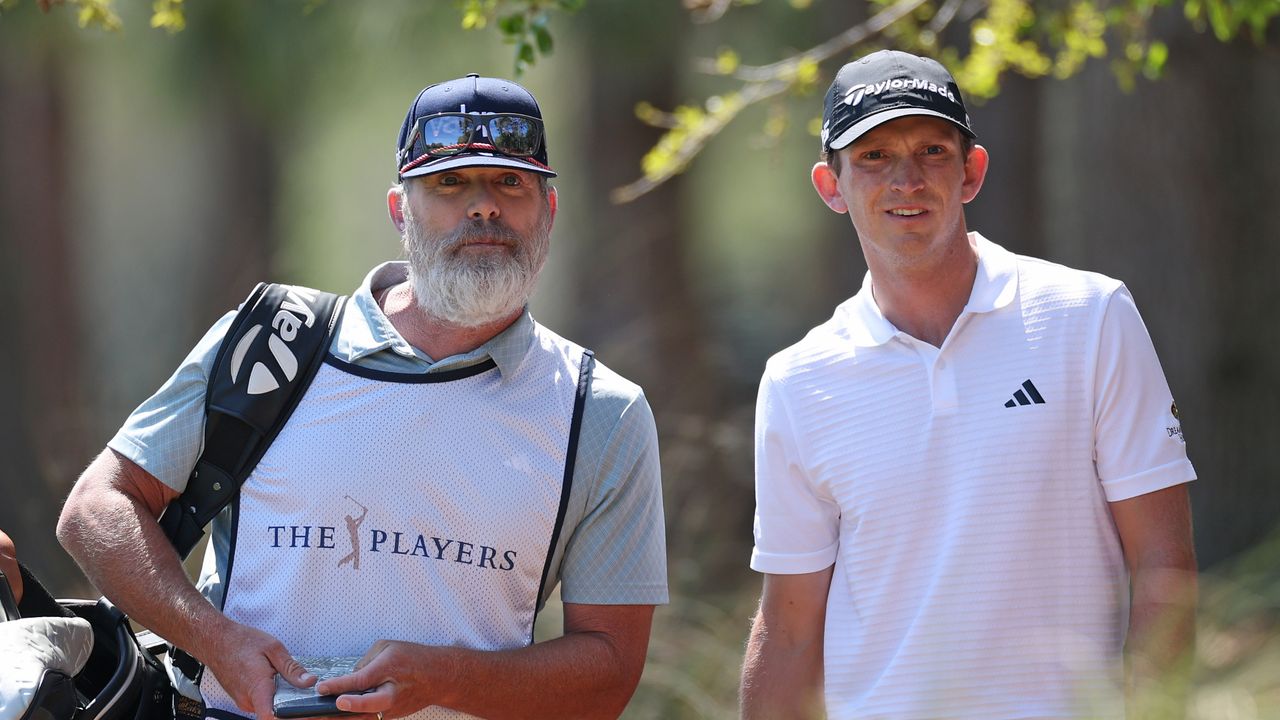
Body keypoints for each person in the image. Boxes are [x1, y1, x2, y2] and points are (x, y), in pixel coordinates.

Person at [57, 73, 668, 720]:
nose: (483, 206)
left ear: (548, 211)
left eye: (510, 182)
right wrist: (217, 640)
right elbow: (96, 509)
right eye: (449, 183)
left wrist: (449, 680)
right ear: (401, 211)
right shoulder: (272, 343)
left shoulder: (599, 411)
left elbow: (611, 670)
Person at [739, 50, 1197, 719]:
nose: (907, 179)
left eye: (932, 150)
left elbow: (1163, 565)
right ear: (830, 186)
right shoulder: (798, 380)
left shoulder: (1090, 316)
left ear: (971, 171)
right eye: (872, 157)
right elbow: (787, 633)